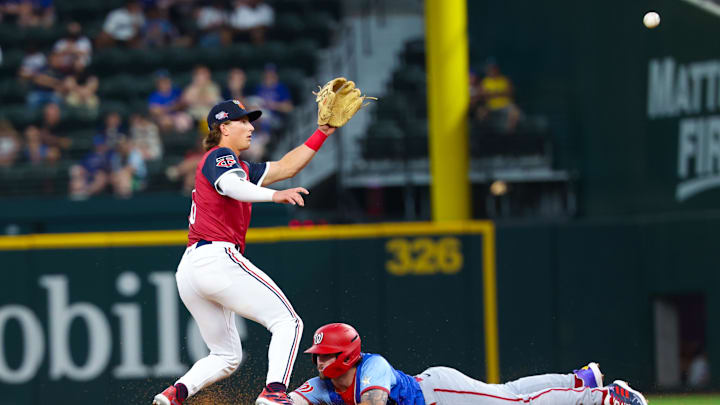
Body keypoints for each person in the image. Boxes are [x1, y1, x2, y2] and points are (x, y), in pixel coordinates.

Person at [151, 99, 341, 405]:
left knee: (226, 355)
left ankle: (175, 394)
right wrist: (275, 196)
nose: (251, 127)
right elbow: (231, 186)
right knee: (288, 322)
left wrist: (322, 133)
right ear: (224, 128)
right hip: (216, 257)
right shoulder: (220, 156)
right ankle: (274, 392)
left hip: (190, 270)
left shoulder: (241, 168)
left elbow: (286, 167)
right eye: (243, 122)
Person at [289, 323, 649, 405]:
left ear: (348, 355)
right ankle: (579, 380)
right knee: (506, 393)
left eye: (327, 356)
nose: (320, 363)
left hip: (440, 395)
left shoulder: (373, 368)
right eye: (318, 356)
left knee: (515, 404)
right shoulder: (322, 386)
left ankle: (606, 398)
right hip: (434, 388)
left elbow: (373, 403)